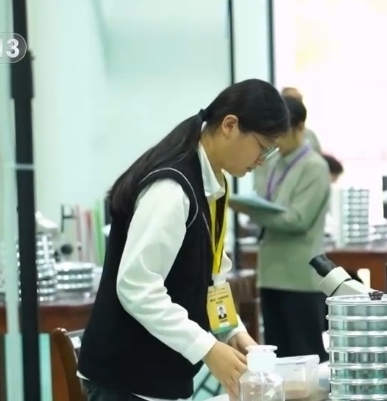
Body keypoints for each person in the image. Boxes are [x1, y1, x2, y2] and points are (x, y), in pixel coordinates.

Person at [77, 79, 289, 401]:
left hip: (158, 377)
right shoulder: (172, 189)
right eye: (263, 146)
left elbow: (214, 277)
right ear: (230, 125)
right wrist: (207, 348)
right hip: (125, 380)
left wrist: (231, 331)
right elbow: (137, 286)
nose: (262, 159)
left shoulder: (215, 185)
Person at [232, 95, 331, 361]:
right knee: (278, 356)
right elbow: (265, 199)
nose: (276, 141)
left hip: (300, 277)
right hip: (270, 272)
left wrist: (251, 211)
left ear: (300, 128)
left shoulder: (315, 167)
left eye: (281, 133)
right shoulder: (273, 161)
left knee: (306, 355)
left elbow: (298, 220)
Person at [281, 87, 322, 151]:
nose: (296, 104)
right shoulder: (271, 138)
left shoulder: (311, 137)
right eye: (291, 100)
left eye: (299, 99)